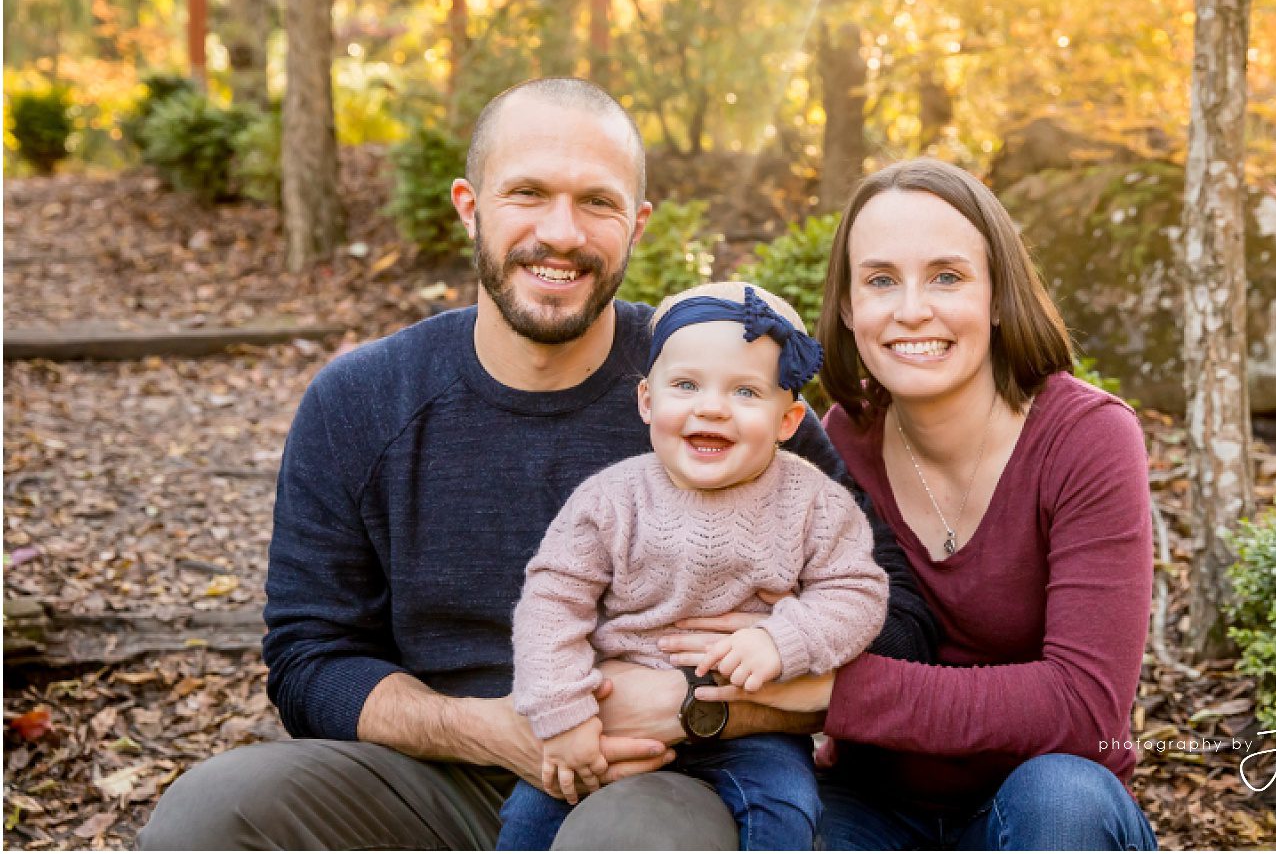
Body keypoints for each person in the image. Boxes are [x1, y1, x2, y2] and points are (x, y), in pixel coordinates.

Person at [136, 79, 935, 851]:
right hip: (440, 772)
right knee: (208, 817)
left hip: (663, 774)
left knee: (629, 840)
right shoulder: (363, 402)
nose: (562, 233)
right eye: (528, 193)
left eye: (597, 202)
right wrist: (487, 730)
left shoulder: (718, 392)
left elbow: (899, 617)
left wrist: (716, 702)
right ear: (469, 205)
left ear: (638, 225)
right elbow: (310, 660)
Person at [665, 158, 1159, 850]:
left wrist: (838, 690)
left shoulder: (1086, 440)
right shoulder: (840, 444)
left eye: (946, 277)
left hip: (1042, 805)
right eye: (880, 281)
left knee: (1063, 800)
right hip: (872, 804)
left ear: (995, 294)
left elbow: (1085, 706)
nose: (911, 310)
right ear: (846, 307)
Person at [498, 282, 889, 850]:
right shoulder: (609, 500)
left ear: (788, 420)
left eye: (746, 392)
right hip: (611, 713)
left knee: (788, 806)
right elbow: (552, 603)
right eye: (685, 385)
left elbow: (857, 592)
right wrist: (563, 713)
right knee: (534, 813)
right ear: (647, 402)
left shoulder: (815, 503)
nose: (711, 406)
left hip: (751, 721)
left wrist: (786, 640)